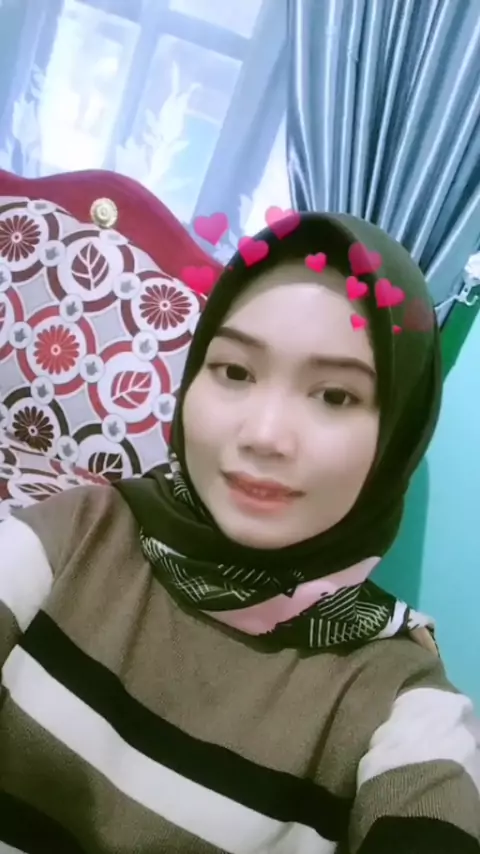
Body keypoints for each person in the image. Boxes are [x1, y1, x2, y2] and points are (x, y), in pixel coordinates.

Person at [0, 212, 479, 854]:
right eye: (234, 372)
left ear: (396, 439)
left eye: (335, 396)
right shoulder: (80, 533)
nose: (263, 435)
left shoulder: (397, 701)